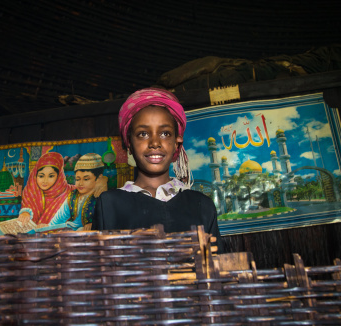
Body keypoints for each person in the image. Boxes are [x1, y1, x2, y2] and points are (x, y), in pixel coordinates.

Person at [92, 88, 223, 253]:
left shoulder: (202, 206)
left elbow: (217, 268)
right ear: (129, 144)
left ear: (177, 143)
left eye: (165, 133)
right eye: (143, 134)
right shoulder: (109, 204)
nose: (155, 142)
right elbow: (102, 268)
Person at [49, 153, 107, 231]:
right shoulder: (73, 196)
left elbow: (106, 220)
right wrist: (47, 227)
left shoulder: (101, 196)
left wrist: (94, 224)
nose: (80, 183)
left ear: (98, 178)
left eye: (86, 179)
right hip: (70, 232)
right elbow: (57, 220)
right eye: (77, 179)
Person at [18, 152, 73, 227]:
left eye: (51, 176)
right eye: (41, 176)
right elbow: (27, 206)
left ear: (59, 176)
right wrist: (25, 213)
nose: (45, 181)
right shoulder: (30, 192)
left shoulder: (71, 193)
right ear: (35, 175)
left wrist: (49, 227)